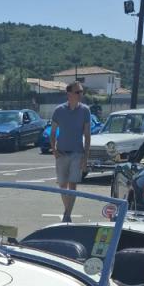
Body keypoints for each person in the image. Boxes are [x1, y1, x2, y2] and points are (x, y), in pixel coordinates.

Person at [50, 82, 91, 221]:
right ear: (69, 94)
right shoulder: (59, 110)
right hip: (61, 152)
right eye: (78, 92)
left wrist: (86, 157)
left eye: (81, 92)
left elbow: (87, 134)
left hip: (77, 153)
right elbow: (53, 131)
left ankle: (67, 215)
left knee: (72, 184)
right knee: (62, 185)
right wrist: (54, 149)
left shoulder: (85, 110)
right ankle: (67, 211)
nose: (81, 94)